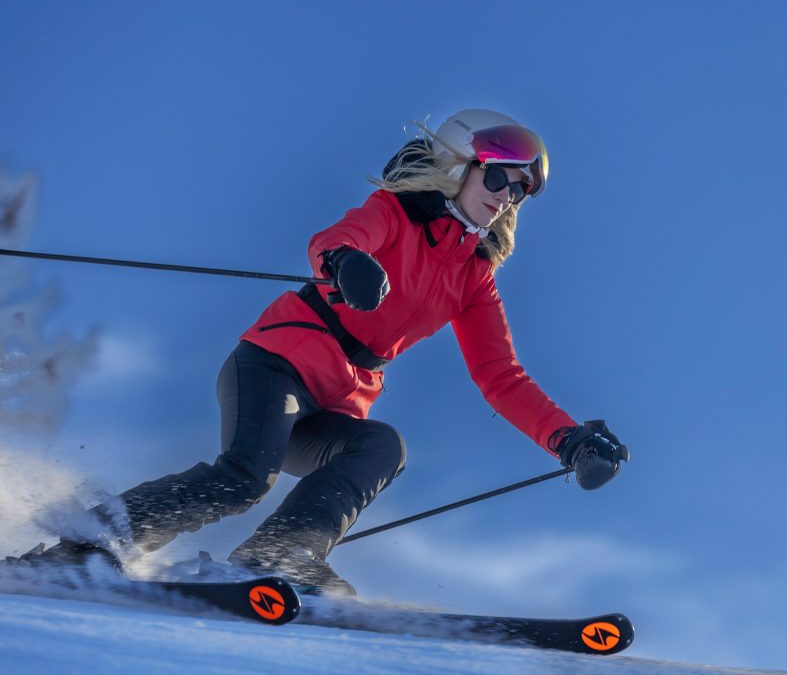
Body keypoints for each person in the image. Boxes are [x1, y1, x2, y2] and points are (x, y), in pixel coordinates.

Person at [18, 109, 630, 594]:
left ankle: (281, 555)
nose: (506, 197)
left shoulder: (473, 276)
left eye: (519, 191)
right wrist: (345, 262)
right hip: (276, 364)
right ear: (457, 163)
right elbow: (334, 239)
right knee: (243, 479)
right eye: (498, 177)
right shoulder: (396, 213)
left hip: (337, 402)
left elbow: (500, 376)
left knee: (383, 447)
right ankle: (88, 543)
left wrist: (568, 440)